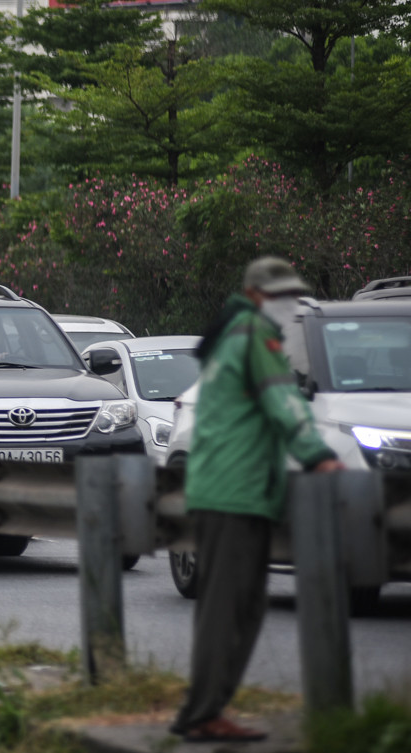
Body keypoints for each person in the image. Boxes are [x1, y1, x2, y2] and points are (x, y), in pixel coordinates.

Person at [170, 256, 345, 744]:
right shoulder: (254, 338)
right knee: (233, 611)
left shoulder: (232, 333)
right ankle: (203, 712)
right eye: (281, 296)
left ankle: (202, 710)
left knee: (232, 609)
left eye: (294, 295)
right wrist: (317, 454)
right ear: (254, 295)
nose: (290, 305)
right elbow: (283, 402)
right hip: (235, 492)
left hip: (225, 489)